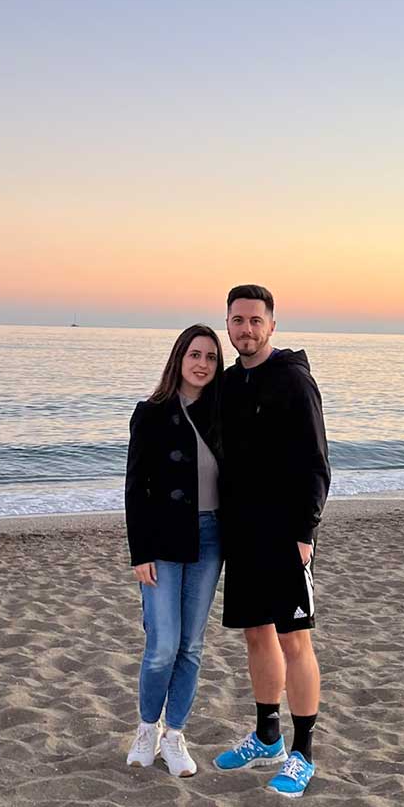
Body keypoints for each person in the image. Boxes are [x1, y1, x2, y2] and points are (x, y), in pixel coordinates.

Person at [214, 285, 330, 798]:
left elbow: (316, 463)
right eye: (237, 321)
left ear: (272, 326)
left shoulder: (294, 382)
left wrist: (305, 531)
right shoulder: (229, 384)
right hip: (242, 534)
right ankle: (266, 735)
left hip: (286, 535)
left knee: (294, 639)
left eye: (255, 320)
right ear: (229, 325)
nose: (246, 329)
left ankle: (302, 751)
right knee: (256, 635)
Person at [124, 325, 224, 777]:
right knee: (162, 646)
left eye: (210, 357)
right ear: (178, 359)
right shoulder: (151, 413)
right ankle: (147, 727)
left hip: (211, 539)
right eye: (194, 355)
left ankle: (175, 736)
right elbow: (135, 489)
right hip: (162, 541)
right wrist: (139, 551)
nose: (202, 364)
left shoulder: (225, 413)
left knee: (191, 647)